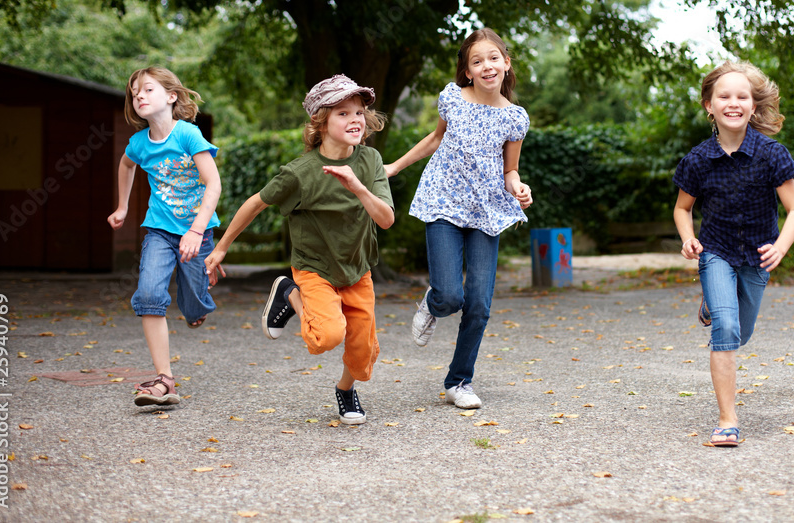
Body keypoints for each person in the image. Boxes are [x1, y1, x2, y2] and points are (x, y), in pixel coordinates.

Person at [205, 75, 393, 425]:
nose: (355, 119)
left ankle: (346, 391)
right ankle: (289, 293)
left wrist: (358, 189)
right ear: (321, 122)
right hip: (315, 268)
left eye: (359, 112)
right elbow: (255, 204)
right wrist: (222, 247)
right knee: (326, 337)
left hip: (357, 267)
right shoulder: (300, 173)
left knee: (363, 352)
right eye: (342, 113)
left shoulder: (369, 161)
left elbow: (386, 220)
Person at [384, 28, 533, 410]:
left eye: (493, 58)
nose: (487, 66)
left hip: (487, 209)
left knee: (479, 303)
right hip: (444, 201)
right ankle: (433, 304)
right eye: (477, 61)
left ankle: (459, 381)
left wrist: (519, 187)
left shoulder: (515, 118)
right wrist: (396, 167)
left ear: (506, 64)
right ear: (467, 72)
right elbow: (435, 140)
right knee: (451, 294)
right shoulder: (453, 98)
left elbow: (510, 170)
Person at [673, 61, 794, 447]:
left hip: (758, 256)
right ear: (709, 106)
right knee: (726, 332)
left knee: (740, 333)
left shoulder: (771, 155)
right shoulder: (698, 160)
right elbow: (683, 209)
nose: (734, 103)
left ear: (753, 105)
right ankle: (727, 420)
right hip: (715, 252)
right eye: (724, 96)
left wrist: (781, 246)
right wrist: (688, 239)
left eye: (742, 96)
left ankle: (712, 306)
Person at [107, 67, 222, 407]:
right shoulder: (139, 143)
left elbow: (213, 185)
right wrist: (123, 206)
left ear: (171, 97)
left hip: (197, 231)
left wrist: (197, 230)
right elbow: (126, 166)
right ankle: (164, 379)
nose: (138, 96)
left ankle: (199, 295)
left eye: (147, 89)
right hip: (159, 229)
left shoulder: (188, 135)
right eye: (134, 92)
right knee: (149, 294)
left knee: (194, 302)